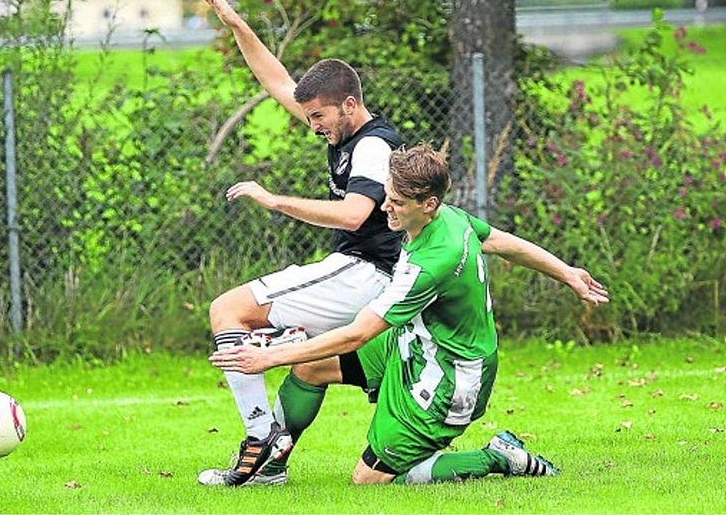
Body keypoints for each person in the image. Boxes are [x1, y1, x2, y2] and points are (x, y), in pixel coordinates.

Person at [209, 143, 609, 485]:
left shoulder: (430, 264)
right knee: (312, 367)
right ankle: (270, 467)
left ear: (427, 204)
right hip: (414, 344)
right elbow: (504, 242)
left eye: (397, 203)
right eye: (387, 195)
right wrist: (567, 273)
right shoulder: (450, 218)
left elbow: (358, 334)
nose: (385, 208)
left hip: (450, 377)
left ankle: (497, 457)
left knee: (369, 479)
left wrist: (267, 357)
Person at [196, 0, 404, 487]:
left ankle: (259, 438)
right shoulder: (342, 127)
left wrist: (275, 200)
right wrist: (237, 24)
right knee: (310, 369)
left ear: (349, 105)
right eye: (308, 115)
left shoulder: (373, 146)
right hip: (368, 275)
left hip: (366, 274)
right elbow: (277, 80)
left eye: (318, 117)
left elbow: (356, 215)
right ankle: (269, 467)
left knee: (227, 311)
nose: (312, 125)